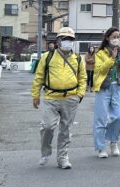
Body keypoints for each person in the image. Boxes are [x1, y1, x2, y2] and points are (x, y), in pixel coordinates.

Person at [31, 26, 87, 170]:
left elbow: (83, 77)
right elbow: (39, 76)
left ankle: (63, 158)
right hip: (51, 98)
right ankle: (45, 152)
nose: (68, 42)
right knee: (48, 127)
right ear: (58, 41)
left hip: (71, 98)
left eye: (70, 39)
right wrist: (35, 95)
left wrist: (80, 94)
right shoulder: (47, 57)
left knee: (65, 129)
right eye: (65, 39)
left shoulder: (78, 58)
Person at [93, 27, 120, 158]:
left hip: (117, 88)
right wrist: (111, 58)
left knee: (119, 117)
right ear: (107, 38)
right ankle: (101, 148)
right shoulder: (100, 54)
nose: (116, 39)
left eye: (118, 37)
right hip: (104, 88)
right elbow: (100, 70)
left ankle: (113, 141)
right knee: (101, 119)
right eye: (114, 37)